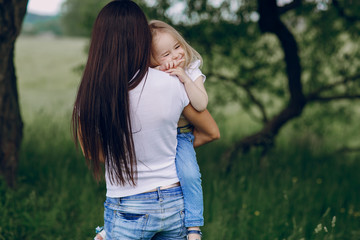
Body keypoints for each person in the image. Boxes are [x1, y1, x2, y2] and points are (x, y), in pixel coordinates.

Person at [71, 1, 220, 240]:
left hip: (128, 205)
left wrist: (128, 156)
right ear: (142, 38)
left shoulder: (91, 94)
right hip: (175, 202)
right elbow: (211, 132)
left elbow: (91, 150)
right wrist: (166, 152)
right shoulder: (173, 82)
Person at [149, 20, 208, 240]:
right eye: (165, 54)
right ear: (152, 60)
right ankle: (116, 223)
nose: (176, 55)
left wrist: (184, 78)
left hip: (180, 136)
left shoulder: (191, 70)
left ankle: (193, 227)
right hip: (154, 136)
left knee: (190, 174)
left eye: (177, 47)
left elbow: (201, 104)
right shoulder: (152, 74)